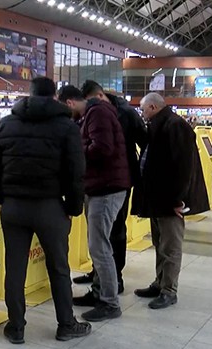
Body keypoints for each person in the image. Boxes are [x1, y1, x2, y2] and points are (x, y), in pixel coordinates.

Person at [0, 77, 90, 344]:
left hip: (13, 207)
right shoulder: (66, 127)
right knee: (59, 268)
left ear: (28, 95)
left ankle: (16, 327)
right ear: (54, 96)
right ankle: (66, 324)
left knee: (15, 268)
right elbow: (77, 172)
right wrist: (73, 208)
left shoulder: (6, 124)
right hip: (50, 207)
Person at [132, 93, 209, 309]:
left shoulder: (175, 125)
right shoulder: (160, 124)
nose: (142, 112)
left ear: (153, 106)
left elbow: (184, 167)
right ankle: (159, 283)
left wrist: (178, 200)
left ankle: (169, 290)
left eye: (143, 108)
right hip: (157, 198)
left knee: (171, 245)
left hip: (170, 200)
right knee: (159, 243)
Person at [70, 81, 148, 294]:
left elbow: (144, 141)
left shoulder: (125, 113)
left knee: (115, 230)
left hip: (118, 180)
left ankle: (116, 276)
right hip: (95, 180)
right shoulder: (90, 112)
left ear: (98, 95)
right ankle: (98, 273)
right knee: (97, 232)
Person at [76, 78, 130, 322]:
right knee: (99, 244)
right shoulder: (100, 112)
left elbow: (102, 148)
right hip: (103, 186)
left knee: (100, 247)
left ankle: (109, 302)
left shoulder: (97, 112)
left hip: (106, 189)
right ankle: (99, 292)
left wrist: (80, 146)